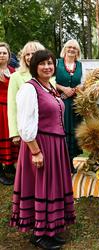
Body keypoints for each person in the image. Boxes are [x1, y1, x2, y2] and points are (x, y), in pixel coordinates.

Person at [10, 50, 75, 249]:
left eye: (49, 63)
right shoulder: (30, 89)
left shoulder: (49, 87)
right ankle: (39, 234)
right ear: (34, 67)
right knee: (42, 186)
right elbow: (25, 123)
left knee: (51, 186)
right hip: (40, 144)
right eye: (42, 64)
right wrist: (36, 151)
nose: (47, 67)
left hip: (55, 145)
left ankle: (50, 229)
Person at [8, 41, 45, 146]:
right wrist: (15, 133)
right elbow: (12, 107)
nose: (30, 57)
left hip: (47, 128)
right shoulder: (16, 76)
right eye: (27, 54)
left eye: (33, 53)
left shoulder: (50, 76)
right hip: (27, 129)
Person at [55, 39, 83, 173]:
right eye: (69, 47)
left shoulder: (80, 65)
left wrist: (75, 89)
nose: (71, 49)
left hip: (74, 103)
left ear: (77, 51)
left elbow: (82, 83)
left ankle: (70, 161)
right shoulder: (57, 63)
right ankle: (60, 162)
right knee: (62, 129)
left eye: (74, 48)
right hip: (60, 102)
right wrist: (63, 89)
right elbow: (49, 80)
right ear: (65, 48)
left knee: (73, 129)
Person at [0, 42, 19, 185]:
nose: (1, 55)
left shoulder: (14, 71)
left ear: (9, 55)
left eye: (4, 53)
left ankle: (9, 165)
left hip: (11, 109)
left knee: (11, 136)